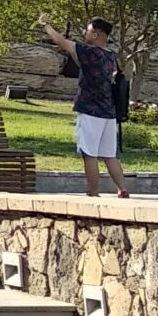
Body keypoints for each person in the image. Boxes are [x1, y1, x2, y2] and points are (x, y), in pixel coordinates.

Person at [39, 13, 131, 198]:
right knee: (109, 154)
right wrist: (74, 48)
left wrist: (46, 25)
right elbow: (79, 57)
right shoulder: (109, 55)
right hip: (108, 112)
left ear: (96, 34)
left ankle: (93, 191)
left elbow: (61, 42)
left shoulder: (89, 51)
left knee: (89, 153)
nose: (84, 32)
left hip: (90, 110)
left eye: (87, 30)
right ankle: (122, 189)